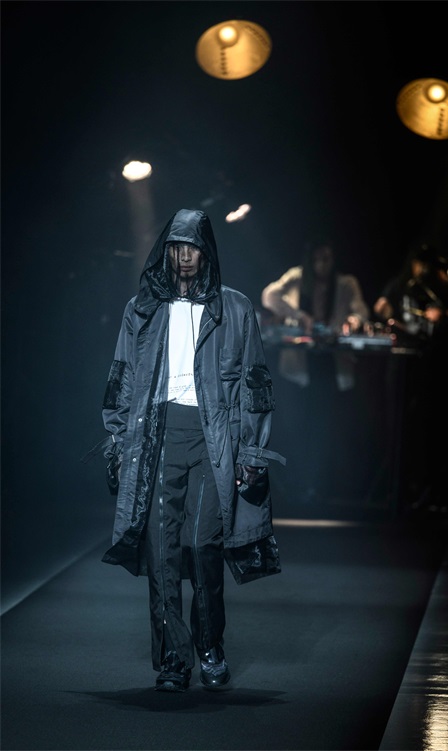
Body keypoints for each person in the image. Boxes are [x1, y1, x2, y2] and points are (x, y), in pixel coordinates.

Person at [99, 208, 284, 692]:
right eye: (176, 247)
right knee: (161, 551)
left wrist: (251, 452)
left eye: (193, 247)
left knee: (203, 546)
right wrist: (117, 441)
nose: (184, 256)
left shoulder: (235, 309)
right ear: (165, 252)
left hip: (213, 440)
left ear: (207, 253)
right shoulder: (142, 309)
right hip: (157, 437)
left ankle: (209, 647)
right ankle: (173, 660)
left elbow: (255, 384)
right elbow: (121, 377)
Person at [261, 238, 369, 501]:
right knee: (299, 425)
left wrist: (353, 321)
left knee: (329, 428)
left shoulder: (345, 284)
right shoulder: (297, 277)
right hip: (299, 364)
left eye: (326, 259)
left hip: (330, 362)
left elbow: (360, 311)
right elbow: (269, 295)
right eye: (317, 259)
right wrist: (300, 316)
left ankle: (328, 486)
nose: (322, 265)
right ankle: (301, 484)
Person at [372, 242, 448, 513]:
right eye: (419, 263)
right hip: (404, 364)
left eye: (427, 264)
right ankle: (400, 489)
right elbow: (381, 305)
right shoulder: (401, 284)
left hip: (434, 366)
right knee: (400, 425)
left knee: (431, 428)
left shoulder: (442, 288)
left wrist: (442, 315)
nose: (422, 269)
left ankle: (433, 491)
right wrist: (385, 311)